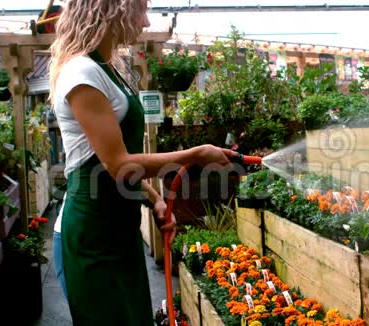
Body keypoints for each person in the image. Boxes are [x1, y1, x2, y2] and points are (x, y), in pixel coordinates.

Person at [48, 0, 237, 324]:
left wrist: (155, 200)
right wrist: (193, 154)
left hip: (119, 230)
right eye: (142, 9)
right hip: (92, 236)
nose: (147, 22)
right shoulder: (81, 73)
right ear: (115, 9)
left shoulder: (107, 70)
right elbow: (118, 165)